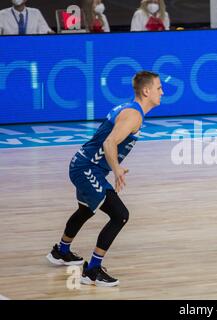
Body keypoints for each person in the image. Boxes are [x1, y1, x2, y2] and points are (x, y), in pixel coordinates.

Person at [46, 71, 164, 287]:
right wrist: (117, 169)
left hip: (83, 165)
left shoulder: (131, 110)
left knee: (86, 210)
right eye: (158, 88)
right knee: (120, 215)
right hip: (86, 168)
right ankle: (92, 271)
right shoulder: (133, 115)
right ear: (146, 91)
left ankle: (61, 251)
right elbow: (110, 143)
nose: (162, 92)